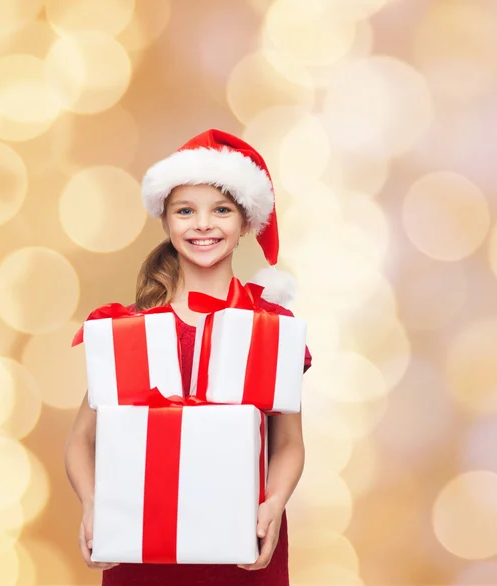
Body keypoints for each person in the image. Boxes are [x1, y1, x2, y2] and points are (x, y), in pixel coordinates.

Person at [65, 129, 312, 586]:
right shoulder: (130, 331)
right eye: (185, 211)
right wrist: (93, 505)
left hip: (243, 550)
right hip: (139, 551)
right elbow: (81, 439)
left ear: (245, 224)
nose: (203, 225)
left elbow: (288, 443)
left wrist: (273, 507)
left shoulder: (268, 327)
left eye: (221, 210)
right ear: (166, 222)